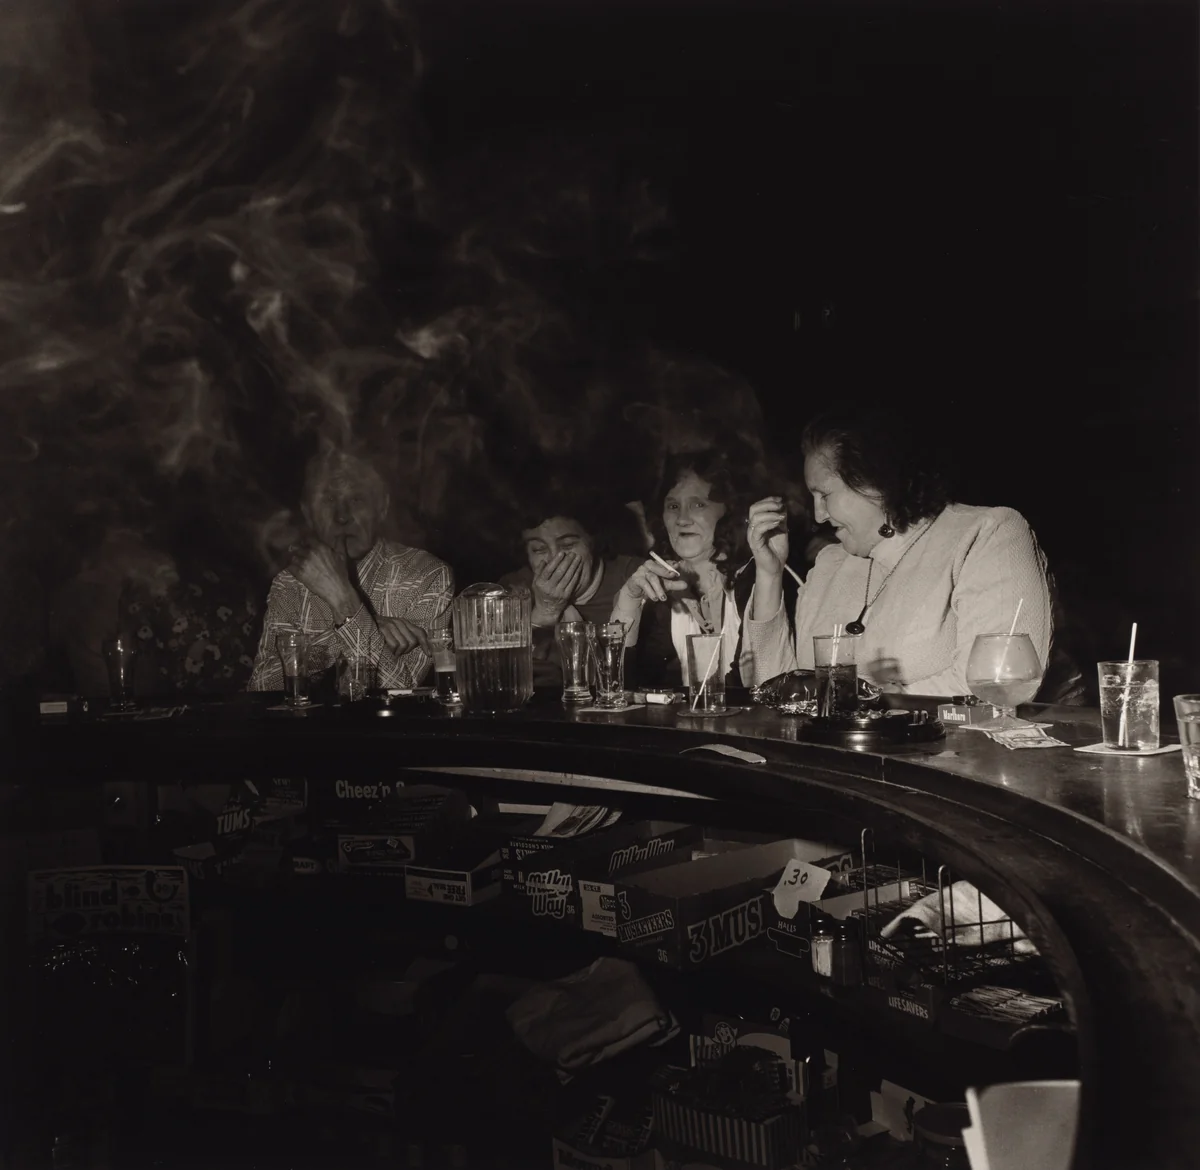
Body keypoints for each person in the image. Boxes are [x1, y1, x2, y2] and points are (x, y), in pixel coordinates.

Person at [742, 408, 1052, 695]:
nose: (819, 515)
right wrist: (770, 574)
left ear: (875, 483)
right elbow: (774, 693)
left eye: (824, 495)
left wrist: (875, 704)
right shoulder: (830, 563)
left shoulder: (985, 534)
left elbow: (1001, 684)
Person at [249, 447, 453, 692]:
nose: (342, 517)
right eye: (328, 500)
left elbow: (399, 690)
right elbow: (262, 686)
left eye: (356, 499)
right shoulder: (290, 582)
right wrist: (358, 630)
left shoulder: (427, 575)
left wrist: (343, 601)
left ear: (382, 507)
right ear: (308, 512)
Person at [611, 449, 799, 689]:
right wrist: (629, 600)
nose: (682, 519)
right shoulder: (671, 588)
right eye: (673, 506)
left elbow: (748, 685)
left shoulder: (756, 576)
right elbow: (623, 683)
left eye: (698, 504)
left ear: (729, 510)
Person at [499, 501, 641, 687]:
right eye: (539, 549)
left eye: (567, 545)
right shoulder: (512, 591)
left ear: (592, 541)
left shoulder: (634, 577)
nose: (555, 558)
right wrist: (544, 613)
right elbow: (505, 676)